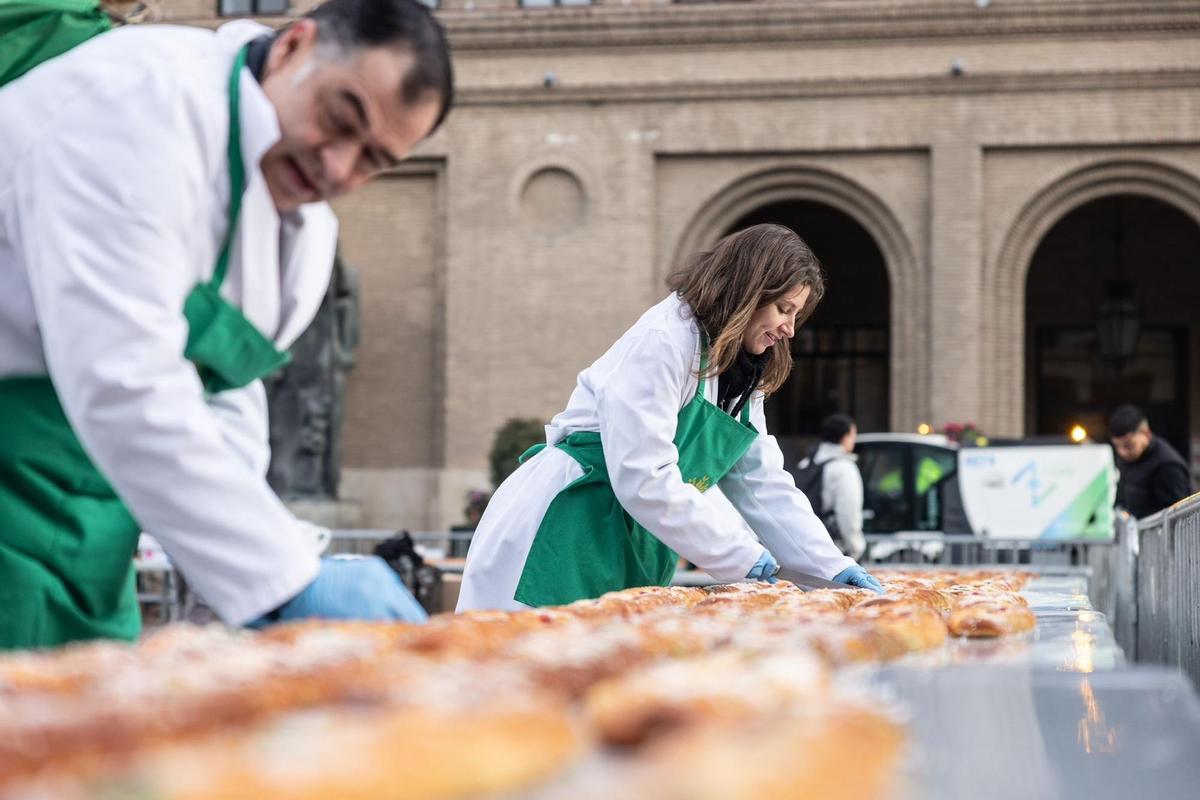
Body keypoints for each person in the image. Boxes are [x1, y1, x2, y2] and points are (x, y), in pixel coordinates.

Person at [0, 0, 454, 648]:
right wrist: (282, 577)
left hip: (90, 508)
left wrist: (244, 581)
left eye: (372, 160)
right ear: (297, 44)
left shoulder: (302, 228)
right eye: (339, 117)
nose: (336, 166)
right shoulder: (134, 107)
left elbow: (227, 391)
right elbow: (125, 378)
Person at [458, 224, 883, 613]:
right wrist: (743, 558)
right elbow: (643, 476)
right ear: (748, 290)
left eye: (796, 315)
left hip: (631, 536)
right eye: (783, 309)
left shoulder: (738, 372)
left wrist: (829, 566)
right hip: (569, 528)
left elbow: (761, 482)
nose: (790, 329)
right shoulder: (664, 341)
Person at [794, 414, 866, 560]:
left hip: (803, 544)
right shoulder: (844, 468)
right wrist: (855, 548)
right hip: (834, 550)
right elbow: (848, 513)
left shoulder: (806, 463)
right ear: (845, 437)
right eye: (853, 435)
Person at [1109, 405, 1193, 519]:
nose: (1122, 452)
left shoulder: (1168, 466)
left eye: (1128, 445)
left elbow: (1178, 517)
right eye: (1117, 446)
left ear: (1146, 434)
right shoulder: (1130, 458)